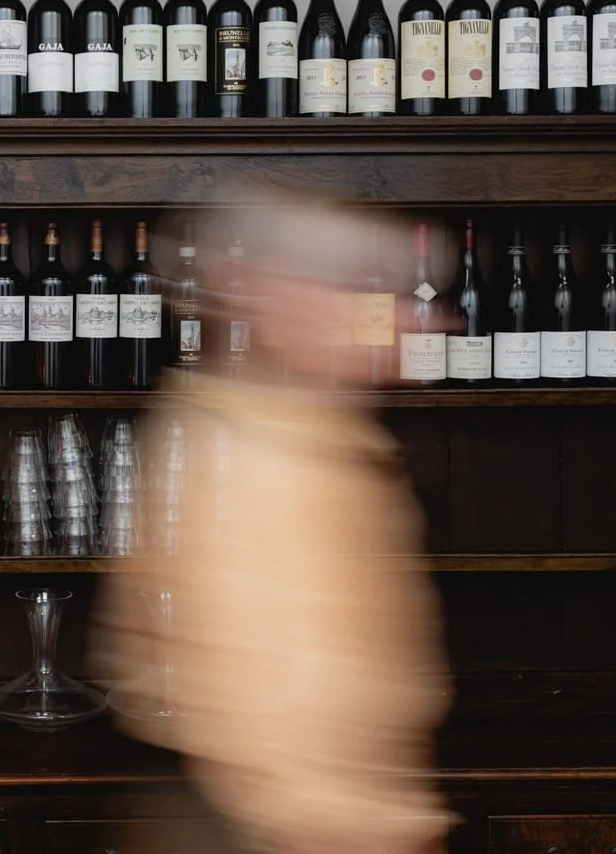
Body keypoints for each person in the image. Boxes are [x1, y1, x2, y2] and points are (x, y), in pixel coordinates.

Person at [92, 199, 451, 854]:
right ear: (283, 300)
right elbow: (264, 697)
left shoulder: (325, 436)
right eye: (367, 295)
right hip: (265, 830)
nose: (411, 318)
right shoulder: (242, 456)